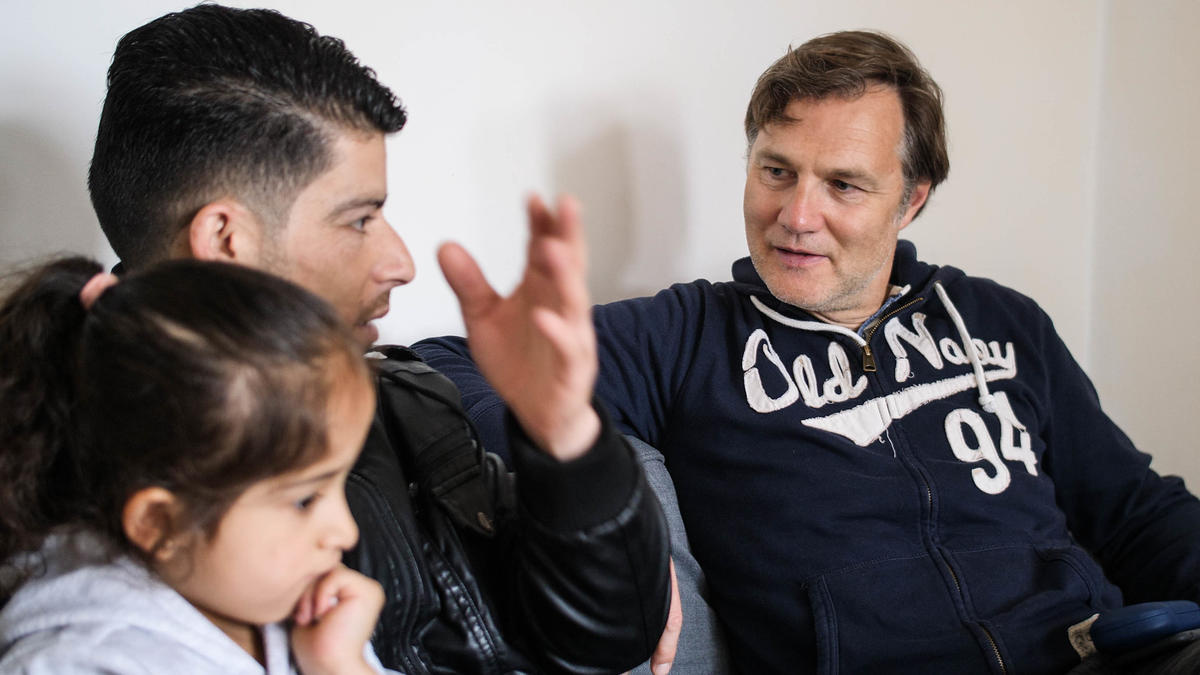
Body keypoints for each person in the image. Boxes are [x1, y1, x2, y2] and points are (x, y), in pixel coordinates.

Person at [414, 30, 1200, 673]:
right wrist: (617, 533)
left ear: (911, 198)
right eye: (776, 171)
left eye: (844, 186)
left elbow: (1135, 512)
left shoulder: (1002, 319)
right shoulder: (683, 335)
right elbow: (443, 372)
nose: (797, 215)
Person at [86, 5, 673, 674]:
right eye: (361, 218)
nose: (401, 262)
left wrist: (566, 436)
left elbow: (608, 638)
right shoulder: (76, 483)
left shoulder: (400, 400)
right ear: (227, 240)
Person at [0, 257, 393, 674]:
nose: (346, 532)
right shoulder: (81, 664)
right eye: (304, 500)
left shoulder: (281, 606)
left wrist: (340, 664)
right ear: (160, 523)